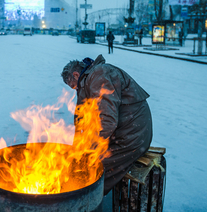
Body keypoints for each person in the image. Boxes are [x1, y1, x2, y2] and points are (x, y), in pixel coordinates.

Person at [61, 54, 153, 195]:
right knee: (81, 164)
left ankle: (85, 201)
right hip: (122, 132)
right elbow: (84, 120)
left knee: (92, 170)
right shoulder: (92, 78)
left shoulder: (99, 75)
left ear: (75, 74)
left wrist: (89, 149)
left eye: (74, 87)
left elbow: (107, 121)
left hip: (131, 135)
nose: (76, 90)